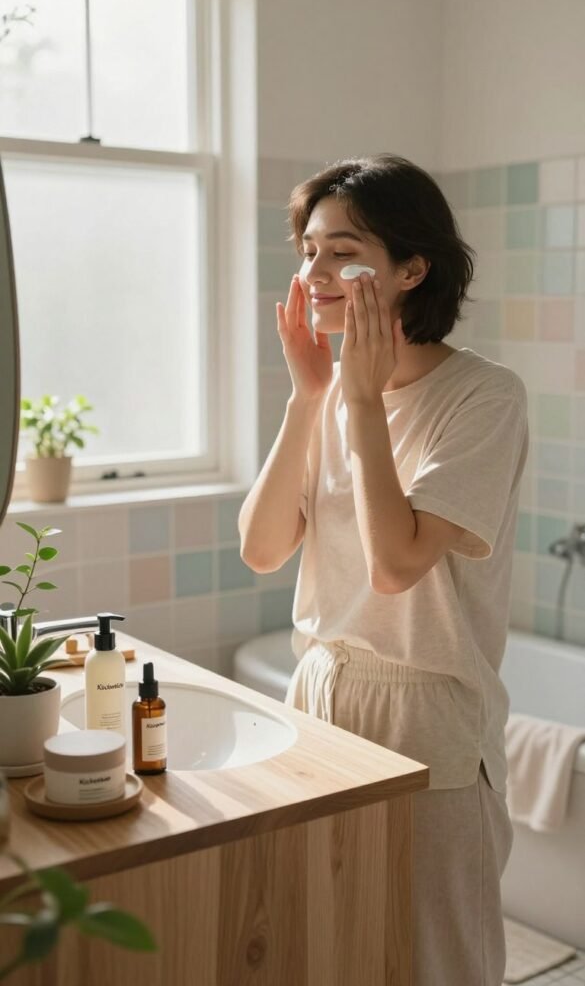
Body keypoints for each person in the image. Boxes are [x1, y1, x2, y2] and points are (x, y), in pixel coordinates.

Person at [238, 154, 529, 986]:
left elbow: (396, 564)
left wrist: (359, 401)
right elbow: (261, 550)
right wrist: (307, 398)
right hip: (318, 695)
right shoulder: (327, 397)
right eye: (307, 251)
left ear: (410, 268)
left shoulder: (483, 397)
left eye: (342, 250)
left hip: (427, 713)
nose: (315, 272)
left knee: (437, 961)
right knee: (329, 945)